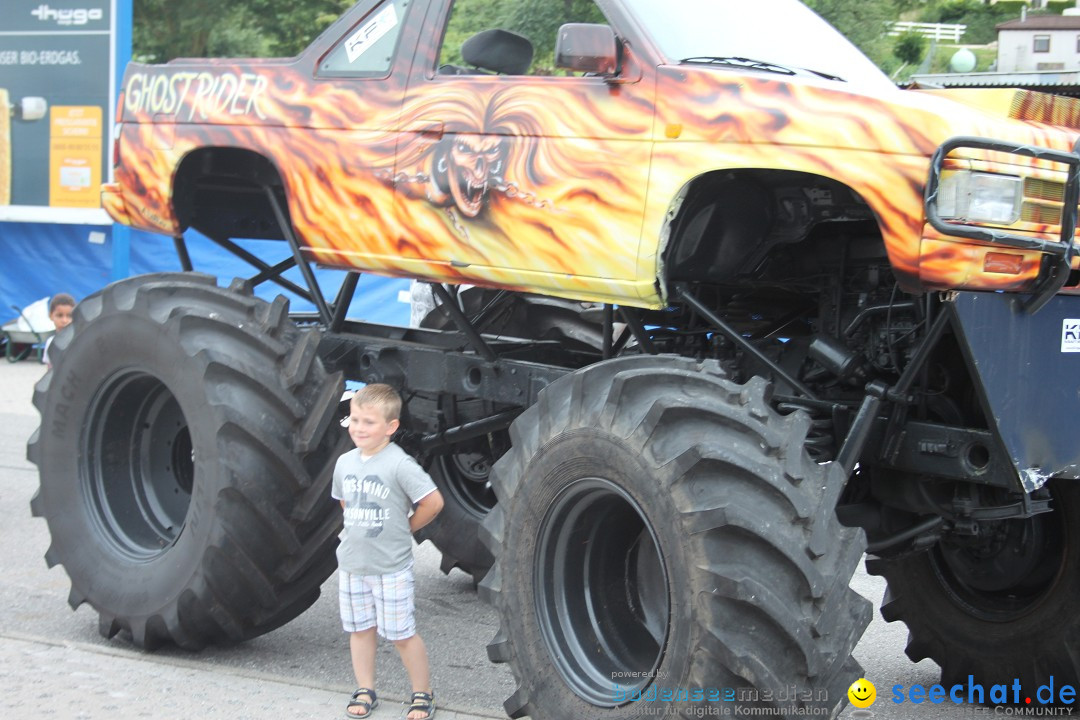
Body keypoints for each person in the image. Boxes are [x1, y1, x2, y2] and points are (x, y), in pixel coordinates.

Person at [333, 383, 444, 720]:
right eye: (354, 420)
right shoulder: (344, 463)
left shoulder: (399, 464)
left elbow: (433, 501)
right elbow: (344, 502)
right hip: (352, 565)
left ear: (391, 427)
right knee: (360, 630)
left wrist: (406, 527)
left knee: (401, 634)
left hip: (390, 568)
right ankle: (365, 688)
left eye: (368, 422)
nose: (359, 428)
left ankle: (422, 693)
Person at [42, 293, 75, 368]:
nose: (64, 320)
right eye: (59, 315)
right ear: (51, 316)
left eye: (69, 316)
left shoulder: (78, 341)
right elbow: (49, 370)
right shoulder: (50, 343)